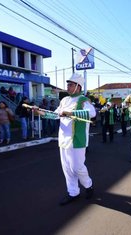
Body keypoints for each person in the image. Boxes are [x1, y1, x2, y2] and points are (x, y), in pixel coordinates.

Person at [34, 73, 95, 205]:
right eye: (68, 84)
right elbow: (55, 115)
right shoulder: (64, 100)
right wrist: (40, 112)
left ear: (78, 87)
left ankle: (89, 185)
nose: (68, 86)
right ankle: (73, 192)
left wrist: (71, 113)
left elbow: (92, 113)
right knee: (67, 168)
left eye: (71, 84)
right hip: (63, 139)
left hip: (78, 139)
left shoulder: (83, 100)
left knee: (77, 167)